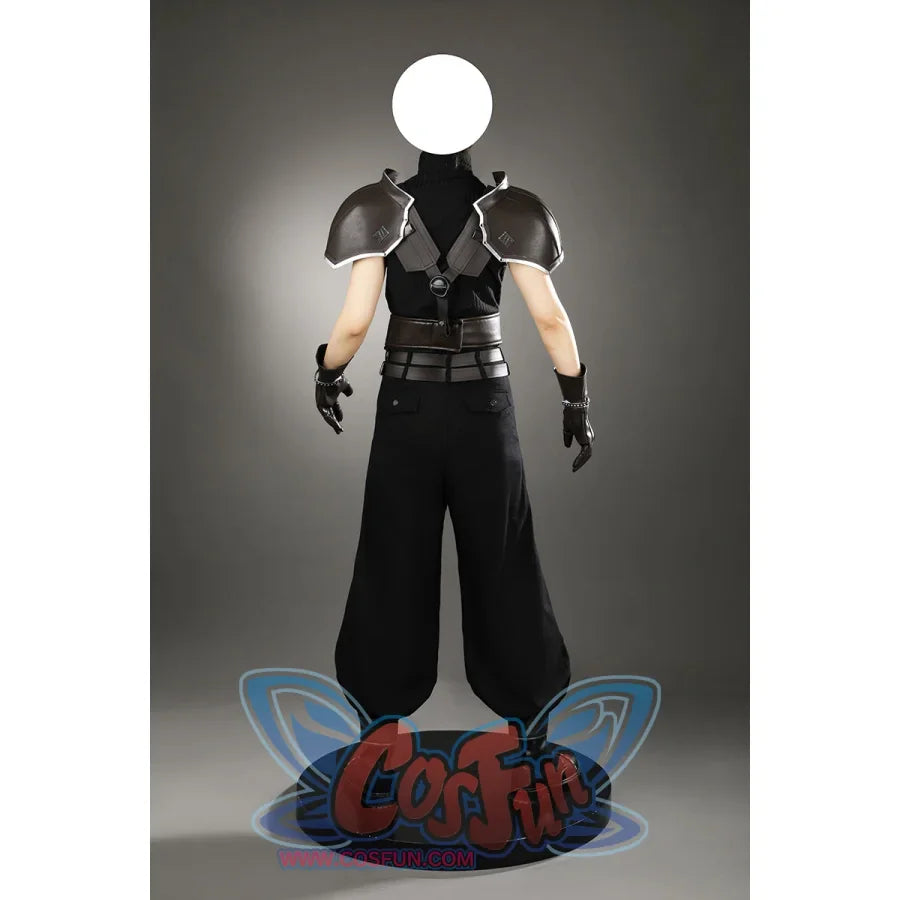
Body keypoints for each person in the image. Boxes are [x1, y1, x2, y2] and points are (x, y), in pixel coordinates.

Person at [314, 147, 594, 755]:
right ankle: (531, 732)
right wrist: (575, 397)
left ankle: (378, 734)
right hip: (484, 407)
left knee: (392, 563)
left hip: (405, 407)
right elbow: (549, 319)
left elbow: (356, 321)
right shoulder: (511, 211)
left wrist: (327, 372)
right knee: (505, 561)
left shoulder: (376, 209)